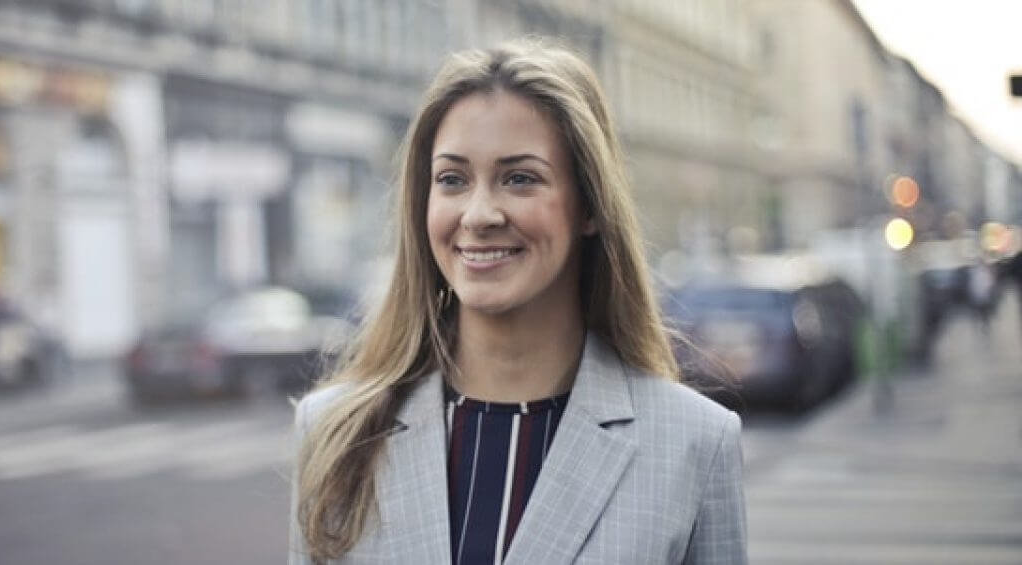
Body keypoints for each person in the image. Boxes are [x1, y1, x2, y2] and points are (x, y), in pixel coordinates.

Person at [290, 39, 747, 565]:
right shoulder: (335, 433)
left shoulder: (695, 443)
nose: (479, 214)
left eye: (520, 178)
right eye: (452, 180)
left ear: (590, 207)